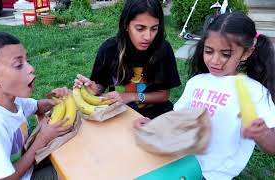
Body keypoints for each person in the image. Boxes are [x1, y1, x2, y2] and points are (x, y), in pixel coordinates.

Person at [134, 12, 275, 179]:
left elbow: (272, 147)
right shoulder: (197, 82)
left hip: (214, 174)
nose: (215, 60)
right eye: (209, 51)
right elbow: (177, 116)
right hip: (181, 159)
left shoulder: (254, 92)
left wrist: (262, 134)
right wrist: (154, 123)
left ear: (245, 53)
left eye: (225, 54)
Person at [0, 31, 72, 180]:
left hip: (26, 166)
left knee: (69, 152)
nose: (31, 68)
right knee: (71, 172)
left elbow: (37, 107)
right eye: (19, 65)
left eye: (27, 60)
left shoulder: (10, 98)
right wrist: (42, 140)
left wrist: (55, 100)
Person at [74, 0, 181, 119]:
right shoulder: (109, 50)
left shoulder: (163, 49)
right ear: (126, 25)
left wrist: (131, 96)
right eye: (140, 29)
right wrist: (95, 89)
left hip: (157, 115)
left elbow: (164, 95)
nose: (148, 37)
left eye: (154, 29)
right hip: (119, 114)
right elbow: (100, 85)